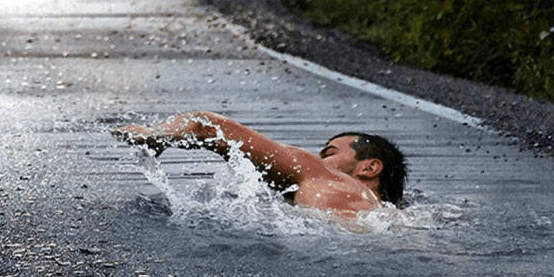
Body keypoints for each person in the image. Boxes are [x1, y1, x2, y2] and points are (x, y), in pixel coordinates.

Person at [112, 111, 407, 217]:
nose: (319, 160)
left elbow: (207, 124)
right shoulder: (389, 216)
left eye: (329, 153)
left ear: (369, 168)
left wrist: (155, 137)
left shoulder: (320, 174)